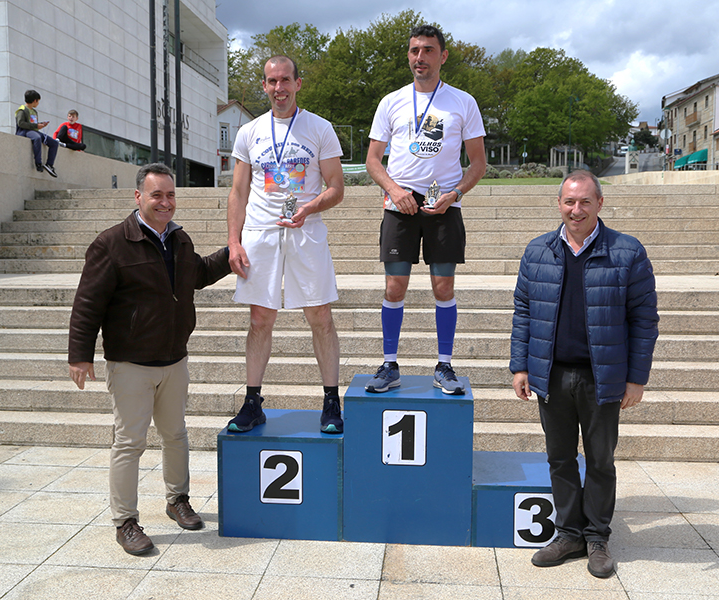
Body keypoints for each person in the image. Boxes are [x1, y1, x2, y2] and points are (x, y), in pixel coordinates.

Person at [67, 163, 232, 555]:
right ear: (138, 197)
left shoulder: (179, 240)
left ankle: (178, 500)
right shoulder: (111, 243)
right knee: (130, 442)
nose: (165, 202)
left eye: (170, 195)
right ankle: (125, 521)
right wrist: (80, 354)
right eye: (156, 194)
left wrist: (233, 252)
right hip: (130, 364)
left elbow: (200, 273)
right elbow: (88, 301)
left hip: (174, 360)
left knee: (176, 434)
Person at [510, 170, 659, 578]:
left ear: (599, 204)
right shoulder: (538, 251)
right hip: (551, 376)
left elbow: (644, 319)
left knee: (600, 461)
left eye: (585, 202)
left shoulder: (627, 252)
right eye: (569, 202)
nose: (576, 210)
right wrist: (520, 365)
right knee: (559, 458)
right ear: (559, 204)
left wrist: (636, 378)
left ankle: (596, 537)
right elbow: (523, 311)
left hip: (602, 378)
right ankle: (568, 533)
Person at [364, 24, 486, 395]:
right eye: (415, 50)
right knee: (394, 286)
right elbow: (372, 159)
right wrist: (394, 189)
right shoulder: (391, 101)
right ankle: (389, 364)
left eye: (429, 50)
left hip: (443, 206)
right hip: (400, 205)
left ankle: (445, 365)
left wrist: (455, 193)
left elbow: (478, 163)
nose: (421, 58)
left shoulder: (463, 102)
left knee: (443, 286)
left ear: (442, 56)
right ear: (409, 55)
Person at [226, 55, 345, 434]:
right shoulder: (250, 132)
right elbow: (238, 191)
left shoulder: (319, 128)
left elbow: (336, 188)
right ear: (264, 85)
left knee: (320, 317)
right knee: (260, 318)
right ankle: (252, 401)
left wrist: (309, 208)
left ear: (297, 83)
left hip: (304, 230)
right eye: (272, 81)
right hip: (260, 232)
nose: (279, 88)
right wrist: (233, 242)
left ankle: (330, 400)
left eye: (285, 81)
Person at [15, 89, 59, 177]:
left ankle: (49, 164)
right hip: (25, 131)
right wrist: (36, 126)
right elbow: (21, 123)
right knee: (37, 138)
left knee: (54, 143)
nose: (38, 103)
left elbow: (33, 124)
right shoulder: (22, 110)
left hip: (34, 130)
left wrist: (40, 124)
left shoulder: (34, 111)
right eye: (38, 101)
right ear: (35, 100)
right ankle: (38, 163)